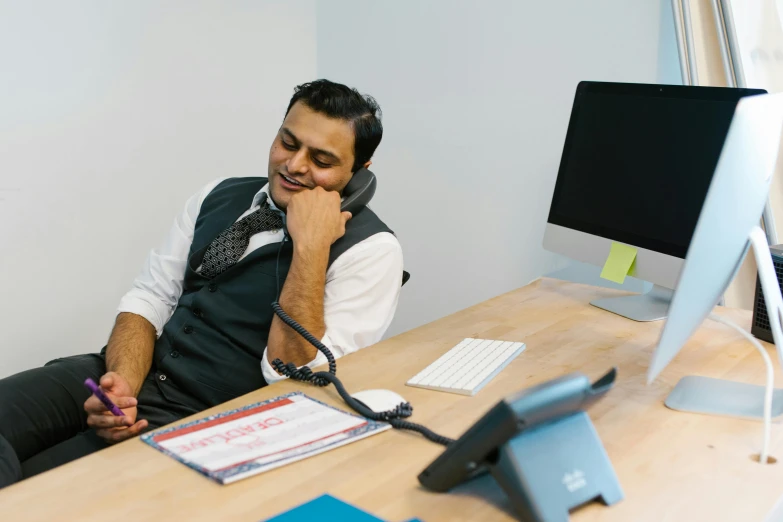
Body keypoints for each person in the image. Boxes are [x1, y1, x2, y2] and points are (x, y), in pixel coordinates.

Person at [0, 79, 403, 487]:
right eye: (288, 142)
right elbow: (150, 298)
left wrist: (311, 248)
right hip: (132, 371)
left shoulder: (372, 252)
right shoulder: (218, 194)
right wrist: (123, 383)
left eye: (321, 159)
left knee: (28, 488)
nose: (294, 165)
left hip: (199, 417)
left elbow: (294, 381)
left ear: (357, 175)